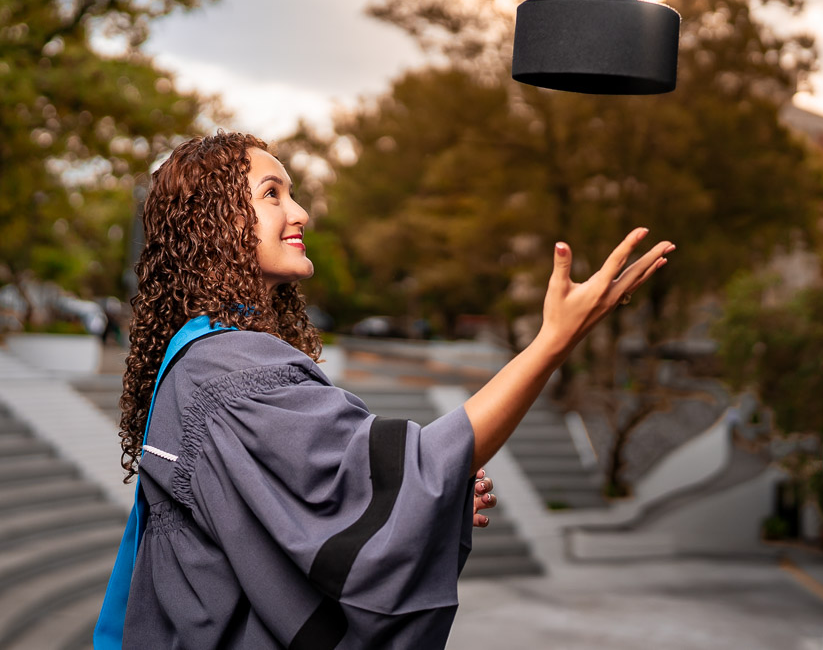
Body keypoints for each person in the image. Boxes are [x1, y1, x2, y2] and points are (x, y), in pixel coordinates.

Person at [98, 132, 673, 649]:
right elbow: (413, 472)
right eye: (272, 193)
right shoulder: (230, 373)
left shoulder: (208, 360)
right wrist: (553, 342)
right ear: (211, 222)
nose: (299, 213)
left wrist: (418, 502)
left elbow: (300, 510)